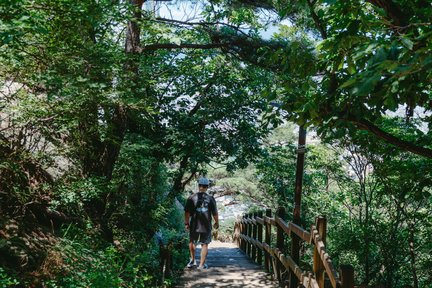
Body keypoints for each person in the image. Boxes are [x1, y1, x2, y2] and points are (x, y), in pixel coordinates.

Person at [184, 177, 219, 269]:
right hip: (206, 225)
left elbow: (187, 212)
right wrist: (217, 222)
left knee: (192, 242)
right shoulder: (210, 199)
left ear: (199, 186)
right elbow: (215, 213)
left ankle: (192, 260)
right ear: (207, 187)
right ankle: (201, 265)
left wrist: (186, 223)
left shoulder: (191, 197)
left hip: (194, 224)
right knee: (204, 244)